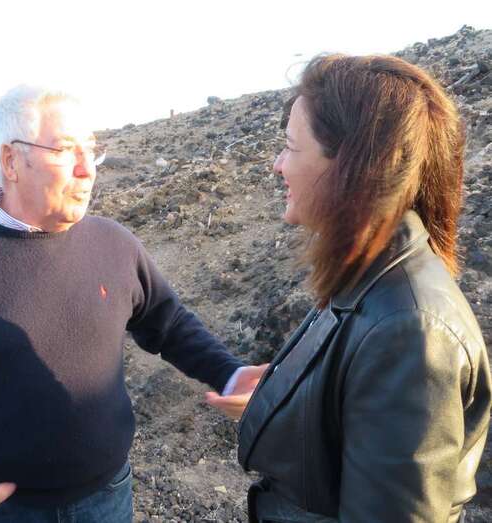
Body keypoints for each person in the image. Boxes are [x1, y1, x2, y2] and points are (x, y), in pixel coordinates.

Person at [0, 84, 265, 521]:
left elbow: (168, 323)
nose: (87, 170)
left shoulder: (114, 245)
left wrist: (229, 372)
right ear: (11, 160)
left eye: (91, 150)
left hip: (107, 498)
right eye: (65, 150)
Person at [206, 54, 492, 522]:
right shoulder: (369, 274)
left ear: (352, 167)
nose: (278, 165)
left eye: (290, 148)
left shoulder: (411, 332)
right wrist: (290, 396)